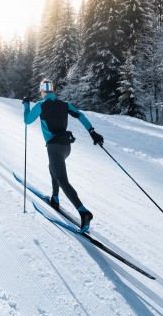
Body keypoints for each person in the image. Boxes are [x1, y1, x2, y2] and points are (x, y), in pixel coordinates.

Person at [23, 79, 104, 232]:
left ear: (42, 91)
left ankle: (83, 212)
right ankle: (54, 198)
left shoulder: (41, 105)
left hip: (54, 147)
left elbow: (27, 120)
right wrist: (92, 131)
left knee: (62, 180)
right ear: (53, 91)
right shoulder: (64, 104)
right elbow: (80, 115)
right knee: (52, 168)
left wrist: (26, 105)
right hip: (66, 147)